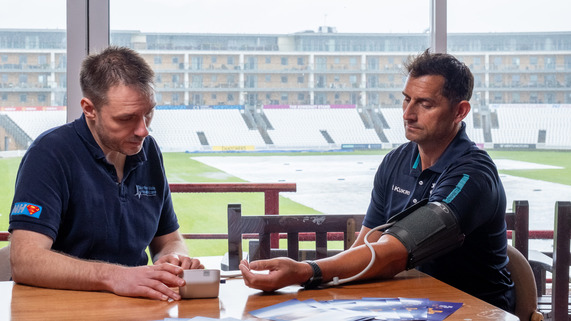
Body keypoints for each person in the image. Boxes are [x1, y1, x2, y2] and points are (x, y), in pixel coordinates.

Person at [239, 49, 515, 313]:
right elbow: (367, 245)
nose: (408, 114)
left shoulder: (472, 174)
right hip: (411, 305)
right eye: (407, 99)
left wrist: (306, 271)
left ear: (460, 111)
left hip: (475, 309)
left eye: (425, 104)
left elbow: (395, 252)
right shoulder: (395, 162)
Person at [8, 46, 203, 301]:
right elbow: (25, 261)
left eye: (149, 113)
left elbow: (168, 239)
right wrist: (116, 277)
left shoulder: (149, 151)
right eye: (126, 118)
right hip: (61, 309)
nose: (143, 130)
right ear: (89, 109)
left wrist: (174, 258)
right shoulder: (50, 153)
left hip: (134, 306)